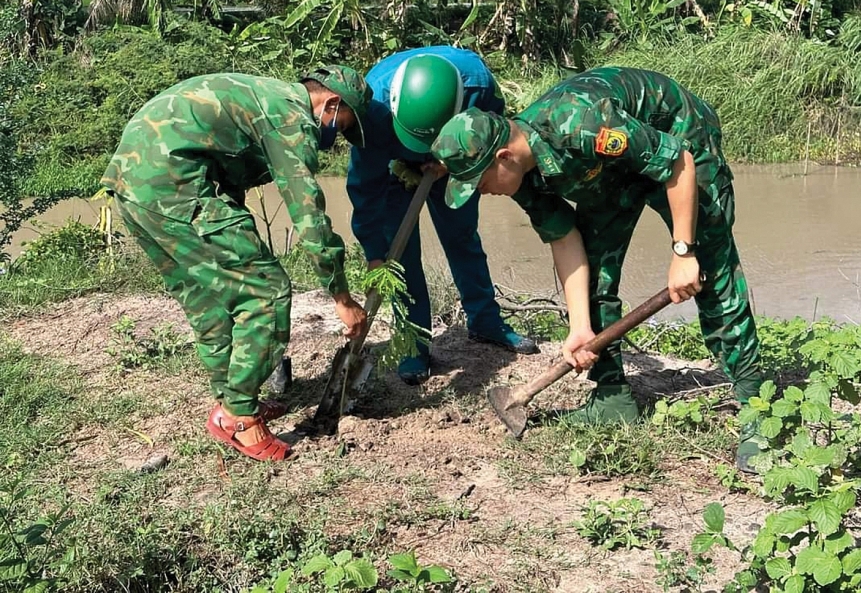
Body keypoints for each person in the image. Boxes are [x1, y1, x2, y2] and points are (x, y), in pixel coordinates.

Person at [431, 66, 764, 471]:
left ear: (503, 156)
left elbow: (677, 160)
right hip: (609, 171)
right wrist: (579, 327)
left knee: (711, 266)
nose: (481, 192)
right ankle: (612, 398)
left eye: (478, 182)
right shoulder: (523, 178)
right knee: (592, 276)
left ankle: (756, 407)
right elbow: (566, 240)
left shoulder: (582, 124)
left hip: (679, 140)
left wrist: (683, 250)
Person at [100, 67, 371, 462]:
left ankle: (230, 401)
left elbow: (222, 168)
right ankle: (239, 419)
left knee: (208, 299)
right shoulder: (291, 117)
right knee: (266, 290)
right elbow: (309, 215)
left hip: (135, 186)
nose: (336, 138)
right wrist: (341, 295)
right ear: (331, 103)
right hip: (175, 186)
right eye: (343, 125)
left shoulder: (263, 93)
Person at [347, 47, 537, 385]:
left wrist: (449, 164)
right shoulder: (372, 109)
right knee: (400, 252)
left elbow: (496, 136)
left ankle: (485, 322)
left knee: (461, 236)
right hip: (394, 166)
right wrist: (375, 254)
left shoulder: (479, 88)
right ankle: (414, 343)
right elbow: (364, 191)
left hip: (454, 167)